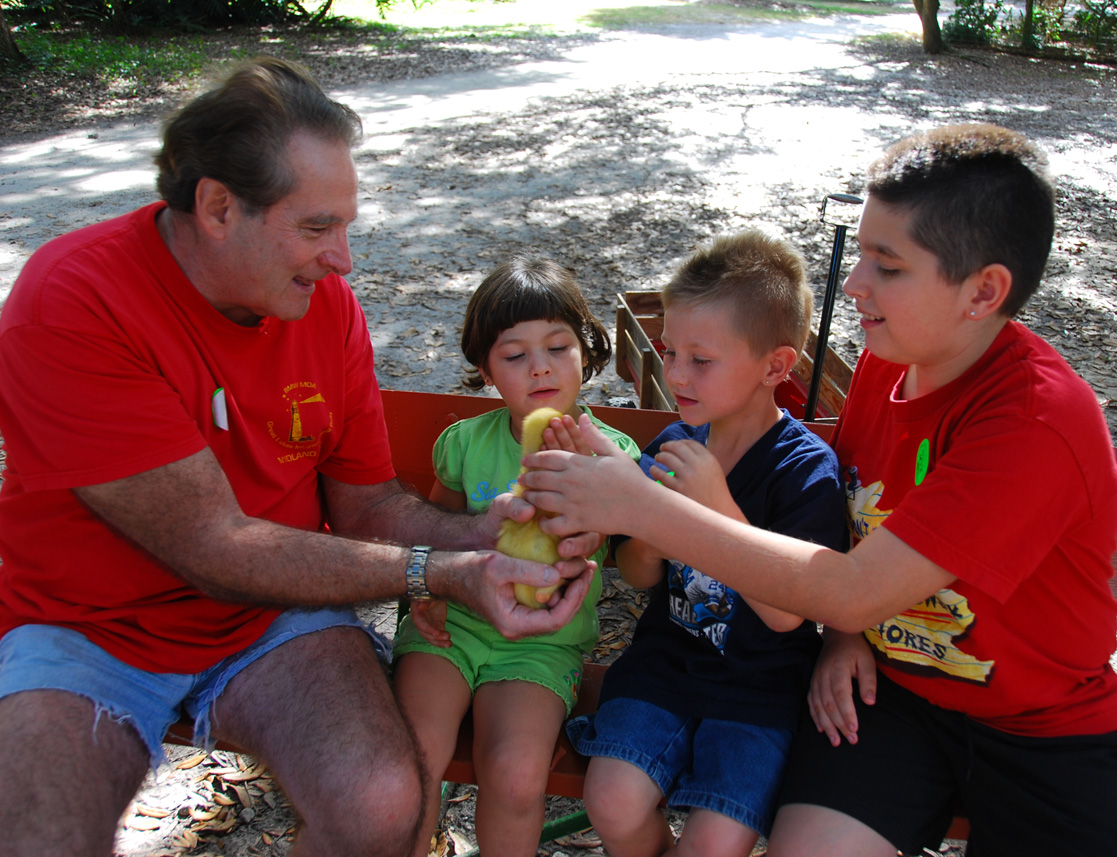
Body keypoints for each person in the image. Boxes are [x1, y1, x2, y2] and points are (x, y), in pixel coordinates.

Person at [0, 57, 597, 857]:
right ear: (217, 207)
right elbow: (215, 549)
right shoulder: (75, 300)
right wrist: (442, 572)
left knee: (382, 800)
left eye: (345, 225)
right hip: (83, 627)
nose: (343, 259)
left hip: (272, 618)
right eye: (317, 228)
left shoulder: (326, 309)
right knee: (39, 834)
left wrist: (488, 530)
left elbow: (367, 504)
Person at [522, 124, 1117, 856]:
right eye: (861, 257)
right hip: (892, 698)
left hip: (1041, 731)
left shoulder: (1036, 421)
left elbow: (849, 585)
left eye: (887, 265)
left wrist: (637, 501)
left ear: (984, 290)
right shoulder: (891, 362)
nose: (854, 285)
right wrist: (846, 638)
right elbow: (849, 524)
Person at [562, 230, 848, 857]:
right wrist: (650, 520)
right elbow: (638, 574)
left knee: (716, 843)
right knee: (610, 803)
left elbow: (786, 613)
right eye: (669, 352)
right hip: (666, 664)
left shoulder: (805, 471)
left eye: (701, 359)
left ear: (775, 366)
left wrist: (715, 506)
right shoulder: (673, 444)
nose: (676, 374)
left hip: (761, 685)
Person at [392, 255, 641, 856]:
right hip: (450, 629)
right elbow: (434, 531)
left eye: (558, 347)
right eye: (514, 355)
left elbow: (637, 567)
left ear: (585, 351)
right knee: (412, 759)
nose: (540, 368)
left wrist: (628, 507)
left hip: (541, 645)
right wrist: (422, 591)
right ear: (485, 369)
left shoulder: (615, 457)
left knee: (516, 775)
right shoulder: (464, 443)